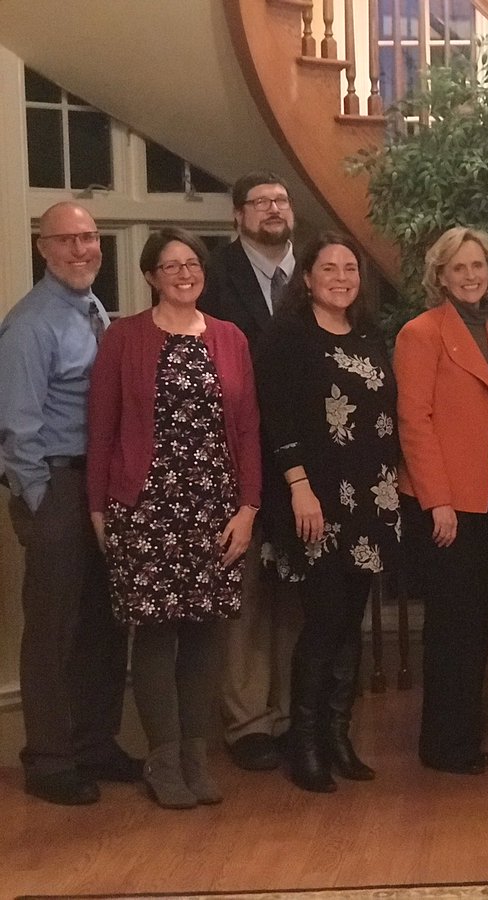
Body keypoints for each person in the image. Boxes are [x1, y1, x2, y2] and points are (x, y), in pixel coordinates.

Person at [87, 228, 261, 808]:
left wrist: (249, 508)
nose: (184, 273)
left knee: (206, 634)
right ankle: (163, 762)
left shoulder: (231, 338)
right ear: (151, 276)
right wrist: (96, 508)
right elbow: (103, 430)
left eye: (192, 264)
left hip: (216, 505)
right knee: (158, 634)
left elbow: (246, 429)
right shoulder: (124, 338)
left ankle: (195, 755)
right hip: (147, 506)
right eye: (170, 266)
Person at [0, 202, 140, 805]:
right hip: (56, 487)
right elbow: (16, 427)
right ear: (44, 248)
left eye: (90, 237)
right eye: (69, 240)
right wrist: (40, 502)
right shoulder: (31, 324)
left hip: (100, 486)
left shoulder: (91, 309)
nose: (83, 249)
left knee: (105, 623)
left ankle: (94, 743)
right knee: (55, 629)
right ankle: (50, 758)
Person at [255, 232, 402, 793]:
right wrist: (299, 488)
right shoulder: (287, 337)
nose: (342, 277)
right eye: (329, 268)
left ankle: (339, 736)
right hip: (315, 502)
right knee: (324, 622)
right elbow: (278, 419)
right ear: (308, 278)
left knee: (350, 624)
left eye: (350, 267)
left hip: (371, 500)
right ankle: (305, 742)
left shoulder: (368, 336)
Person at [395, 226, 488, 775]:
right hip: (445, 501)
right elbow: (413, 421)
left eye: (478, 266)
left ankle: (464, 735)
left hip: (484, 493)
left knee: (473, 619)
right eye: (459, 267)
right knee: (450, 624)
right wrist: (437, 500)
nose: (471, 275)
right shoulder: (421, 333)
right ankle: (443, 744)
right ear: (439, 275)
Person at [198, 172, 303, 772]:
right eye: (260, 203)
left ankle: (291, 713)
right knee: (243, 597)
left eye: (281, 200)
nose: (272, 209)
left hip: (306, 463)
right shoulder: (211, 275)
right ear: (238, 216)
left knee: (297, 594)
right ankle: (248, 724)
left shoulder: (317, 274)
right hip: (235, 458)